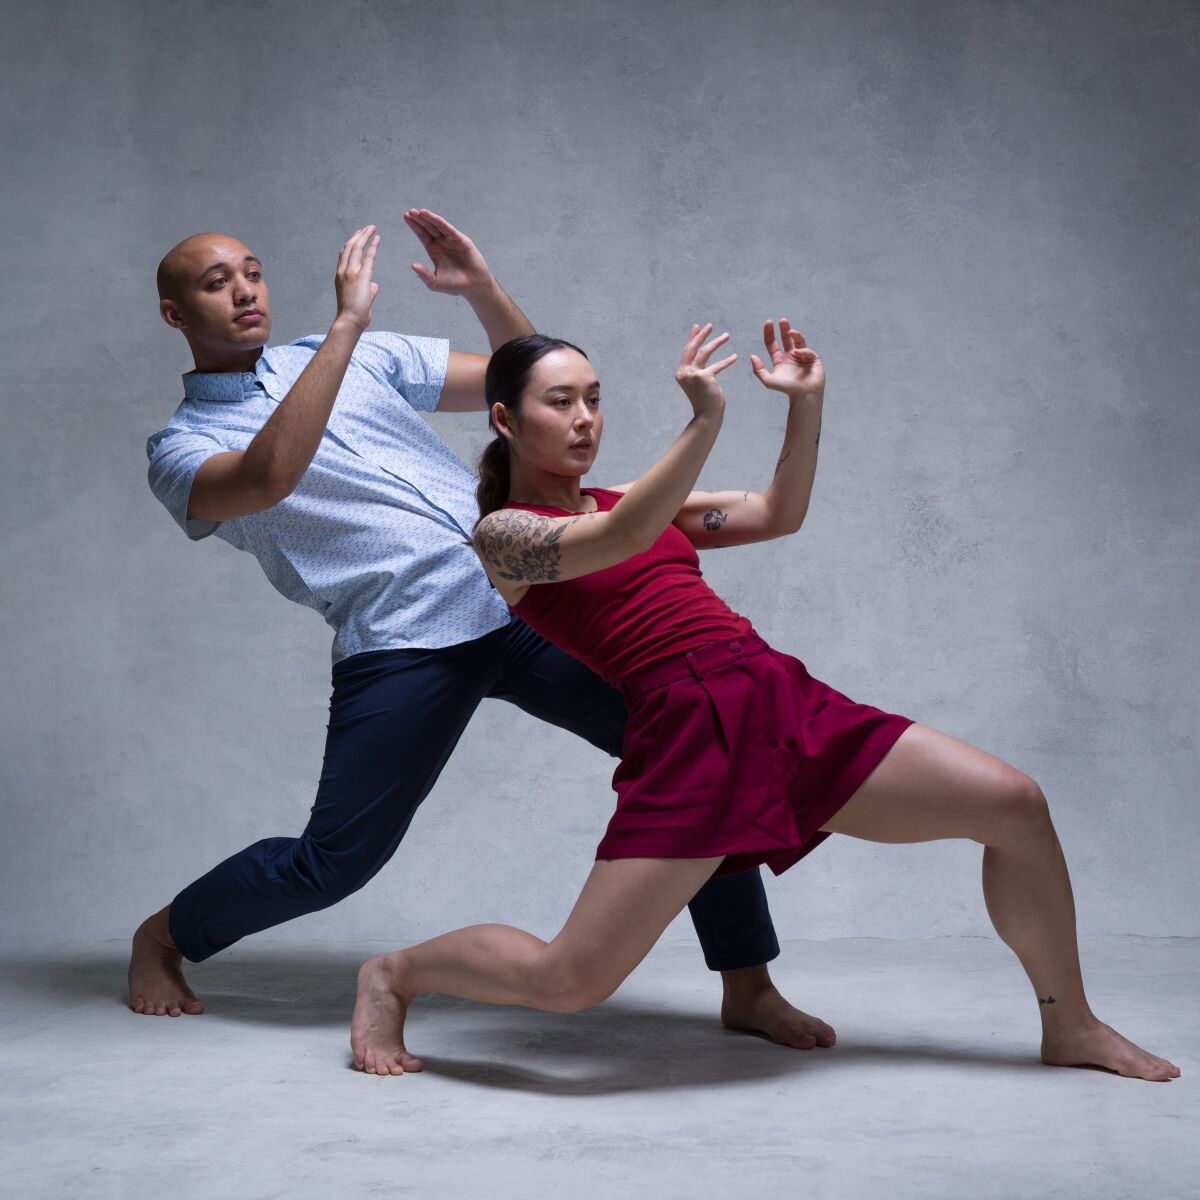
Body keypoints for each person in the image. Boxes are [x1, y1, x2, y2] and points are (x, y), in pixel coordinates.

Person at [349, 321, 1180, 1082]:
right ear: (505, 419)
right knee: (568, 981)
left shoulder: (630, 497)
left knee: (1013, 803)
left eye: (595, 400)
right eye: (560, 402)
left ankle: (1068, 1024)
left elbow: (779, 513)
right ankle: (396, 972)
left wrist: (804, 407)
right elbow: (625, 537)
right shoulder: (504, 535)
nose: (585, 420)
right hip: (686, 737)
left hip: (777, 698)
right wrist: (705, 422)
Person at [132, 214, 829, 1052]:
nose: (245, 291)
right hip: (403, 640)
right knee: (334, 861)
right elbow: (270, 476)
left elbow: (527, 387)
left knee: (697, 748)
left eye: (252, 271)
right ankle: (165, 936)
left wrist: (482, 291)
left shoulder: (365, 358)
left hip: (525, 594)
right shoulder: (182, 448)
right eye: (216, 283)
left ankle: (748, 985)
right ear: (176, 314)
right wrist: (346, 329)